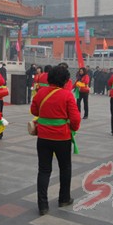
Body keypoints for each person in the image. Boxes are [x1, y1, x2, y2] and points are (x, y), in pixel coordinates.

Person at [30, 65, 81, 216]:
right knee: (65, 168)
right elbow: (75, 119)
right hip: (62, 137)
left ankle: (43, 205)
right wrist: (72, 127)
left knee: (44, 170)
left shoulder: (41, 92)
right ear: (65, 80)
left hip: (43, 137)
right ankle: (64, 198)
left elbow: (34, 110)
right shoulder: (66, 95)